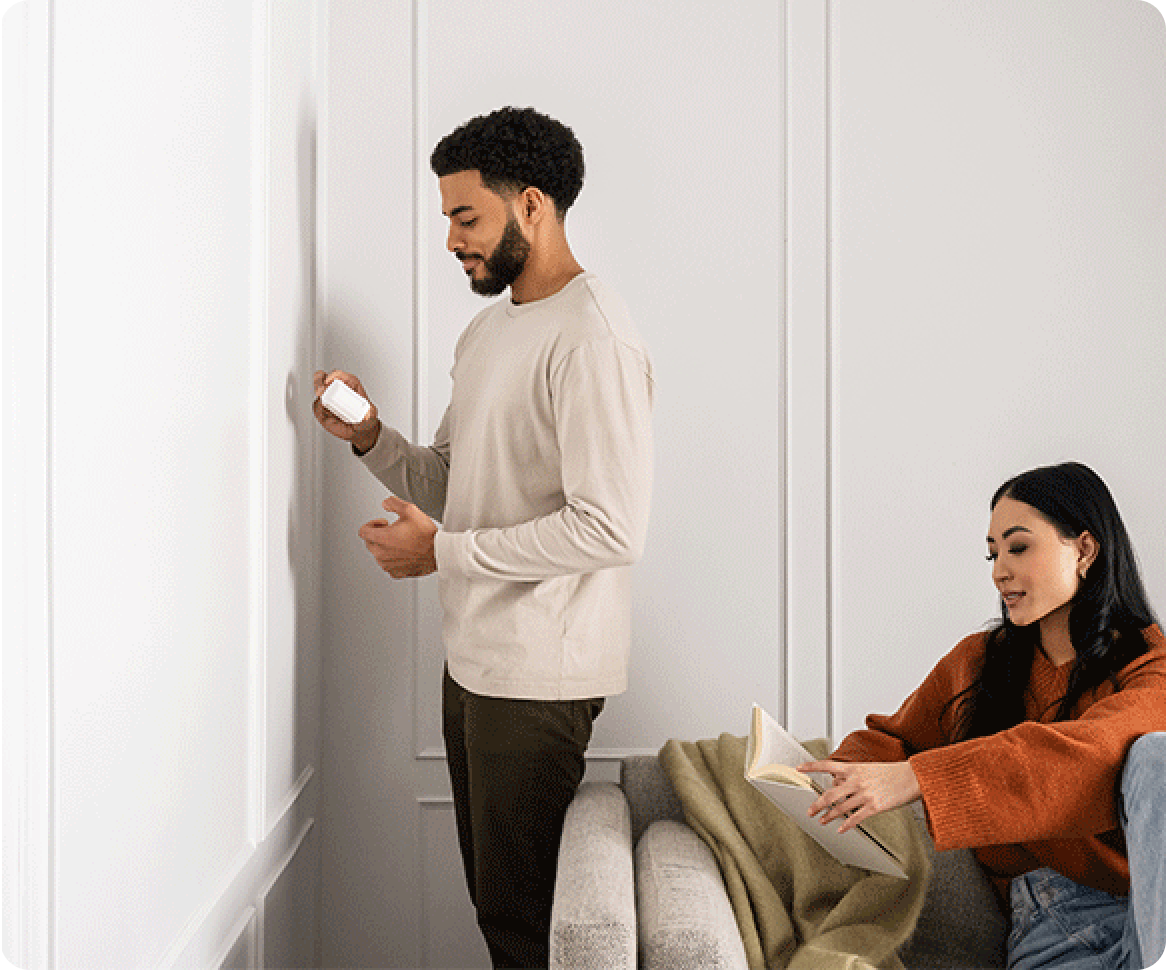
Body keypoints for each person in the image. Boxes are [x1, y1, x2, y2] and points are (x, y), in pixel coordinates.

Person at [312, 106, 654, 968]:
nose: (454, 240)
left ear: (531, 205)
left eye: (468, 217)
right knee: (499, 912)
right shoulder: (489, 330)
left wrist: (442, 555)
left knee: (525, 926)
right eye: (448, 220)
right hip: (473, 659)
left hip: (540, 676)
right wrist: (369, 436)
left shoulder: (594, 336)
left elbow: (610, 526)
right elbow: (454, 485)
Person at [800, 461, 1165, 970]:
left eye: (1018, 547)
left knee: (1157, 752)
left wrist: (921, 779)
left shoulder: (1150, 664)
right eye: (993, 554)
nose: (998, 571)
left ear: (1084, 549)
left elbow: (1092, 750)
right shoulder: (979, 662)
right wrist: (817, 782)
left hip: (1153, 912)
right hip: (1053, 930)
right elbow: (889, 741)